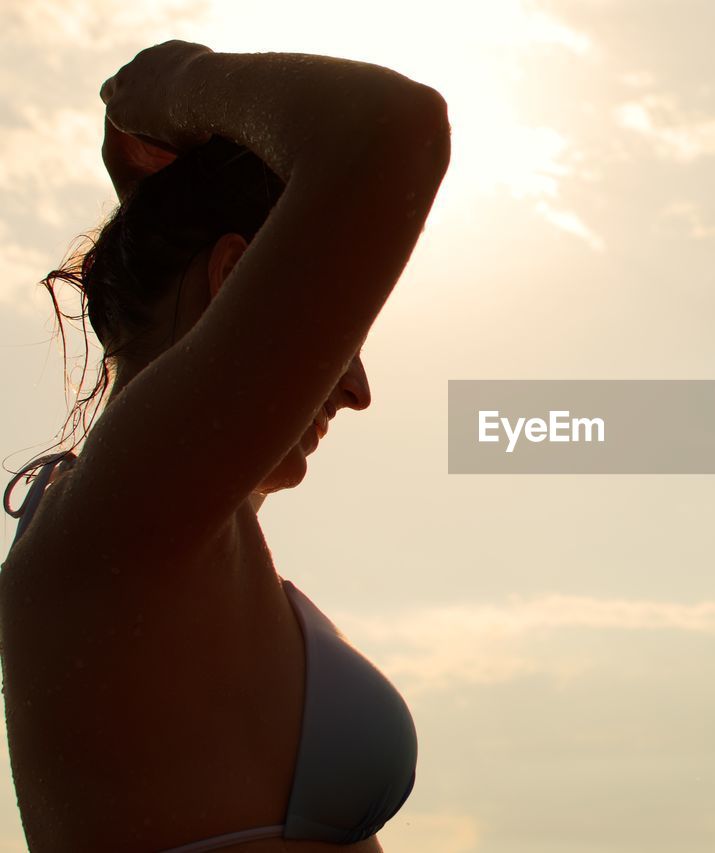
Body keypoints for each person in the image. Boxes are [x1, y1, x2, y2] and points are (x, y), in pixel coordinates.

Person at [0, 41, 449, 851]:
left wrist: (169, 210)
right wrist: (173, 84)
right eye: (339, 337)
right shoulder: (127, 508)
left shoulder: (158, 524)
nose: (357, 389)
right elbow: (394, 130)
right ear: (233, 279)